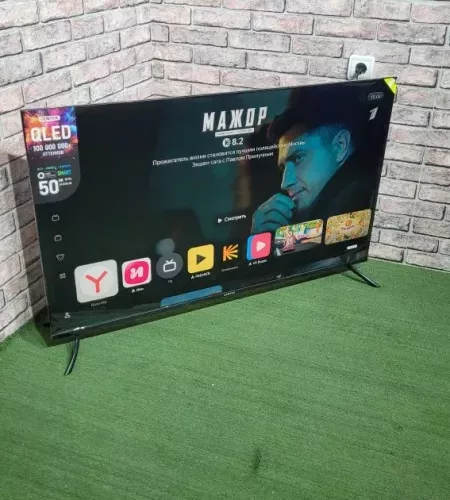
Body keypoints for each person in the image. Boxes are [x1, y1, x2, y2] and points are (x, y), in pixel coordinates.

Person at [251, 85, 374, 234]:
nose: (285, 183)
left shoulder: (353, 200)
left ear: (340, 145)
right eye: (283, 168)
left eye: (298, 158)